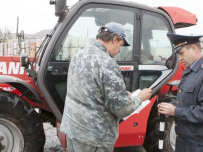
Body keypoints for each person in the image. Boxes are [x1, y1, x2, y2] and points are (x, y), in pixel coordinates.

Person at [60, 22, 152, 152]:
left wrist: (120, 92)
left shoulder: (79, 55)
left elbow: (89, 87)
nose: (119, 50)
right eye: (120, 45)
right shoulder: (107, 63)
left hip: (73, 129)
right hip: (94, 138)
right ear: (115, 39)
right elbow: (122, 109)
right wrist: (140, 98)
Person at [157, 33, 203, 152]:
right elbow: (185, 100)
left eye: (181, 53)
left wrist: (175, 111)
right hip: (182, 140)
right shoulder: (189, 71)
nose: (180, 58)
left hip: (197, 145)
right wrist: (170, 105)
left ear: (194, 49)